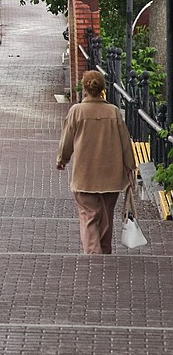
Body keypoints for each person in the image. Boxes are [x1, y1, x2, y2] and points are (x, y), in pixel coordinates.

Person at [57, 68, 136, 254]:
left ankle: (94, 256)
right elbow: (125, 142)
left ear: (85, 89)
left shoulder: (76, 111)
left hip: (85, 176)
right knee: (107, 218)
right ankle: (104, 253)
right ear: (103, 88)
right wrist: (129, 168)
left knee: (89, 216)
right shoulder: (114, 112)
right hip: (111, 176)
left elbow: (66, 140)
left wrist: (63, 159)